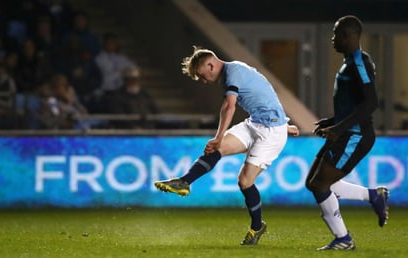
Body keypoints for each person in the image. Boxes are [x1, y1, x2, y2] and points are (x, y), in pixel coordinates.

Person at [154, 46, 297, 246]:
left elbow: (229, 106)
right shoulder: (235, 70)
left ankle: (257, 227)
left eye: (203, 76)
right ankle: (184, 182)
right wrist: (285, 124)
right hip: (257, 123)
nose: (204, 81)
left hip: (271, 132)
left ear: (211, 65)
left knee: (244, 182)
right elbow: (263, 92)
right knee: (216, 149)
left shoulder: (233, 73)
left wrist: (219, 135)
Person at [305, 15, 389, 251]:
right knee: (314, 183)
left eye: (335, 34)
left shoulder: (359, 62)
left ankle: (343, 239)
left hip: (355, 135)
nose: (332, 38)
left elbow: (371, 102)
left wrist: (340, 127)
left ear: (347, 36)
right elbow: (354, 103)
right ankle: (374, 196)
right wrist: (332, 122)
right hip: (345, 132)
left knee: (321, 185)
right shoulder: (349, 62)